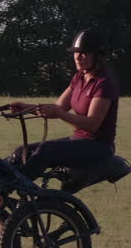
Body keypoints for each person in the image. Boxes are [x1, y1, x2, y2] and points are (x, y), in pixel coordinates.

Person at [7, 29, 119, 184]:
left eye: (84, 53)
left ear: (98, 56)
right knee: (22, 151)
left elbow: (92, 125)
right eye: (75, 52)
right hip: (79, 141)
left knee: (46, 151)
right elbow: (58, 107)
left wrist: (59, 113)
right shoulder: (79, 77)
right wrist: (26, 108)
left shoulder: (103, 83)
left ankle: (12, 186)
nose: (78, 57)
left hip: (98, 147)